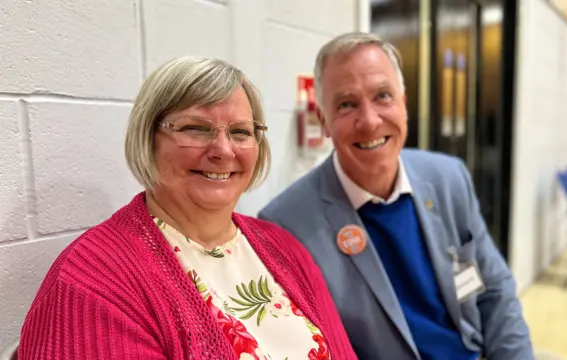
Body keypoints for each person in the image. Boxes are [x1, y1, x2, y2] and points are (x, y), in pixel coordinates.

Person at [19, 56, 357, 360]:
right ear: (147, 140)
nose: (223, 150)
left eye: (240, 132)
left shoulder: (284, 248)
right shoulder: (92, 280)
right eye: (196, 129)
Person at [258, 32, 534, 360]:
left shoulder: (448, 178)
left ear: (403, 103)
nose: (370, 121)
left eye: (383, 96)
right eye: (346, 104)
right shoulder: (285, 226)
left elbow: (496, 291)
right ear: (324, 121)